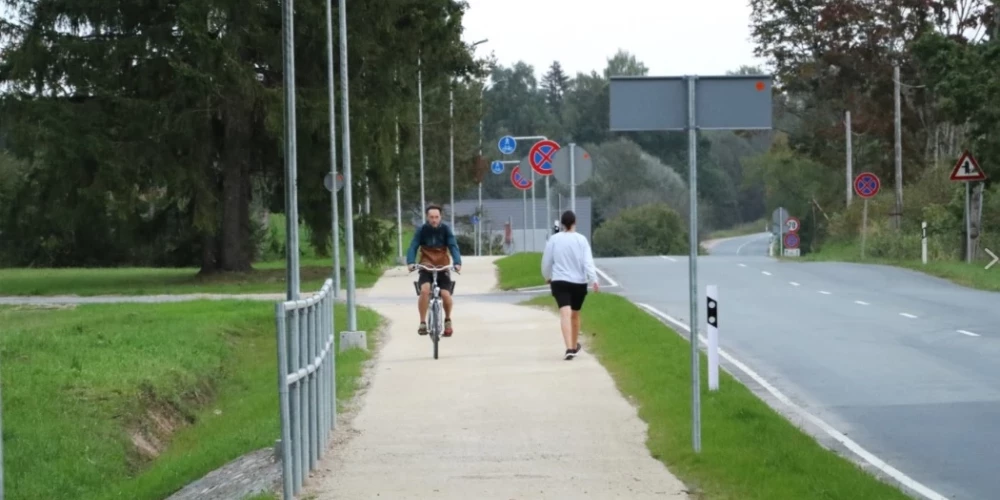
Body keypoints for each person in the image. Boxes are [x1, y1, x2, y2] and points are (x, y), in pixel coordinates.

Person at [541, 210, 598, 360]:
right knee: (575, 314)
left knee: (564, 313)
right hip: (579, 282)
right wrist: (594, 280)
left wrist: (547, 276)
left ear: (561, 224)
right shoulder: (581, 240)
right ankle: (572, 345)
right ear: (574, 223)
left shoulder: (553, 240)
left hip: (559, 281)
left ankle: (570, 347)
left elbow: (547, 261)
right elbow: (588, 262)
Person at [406, 204, 462, 337]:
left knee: (445, 295)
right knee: (425, 291)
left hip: (442, 266)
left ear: (440, 217)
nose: (434, 220)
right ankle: (423, 322)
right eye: (431, 217)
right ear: (427, 217)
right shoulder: (422, 230)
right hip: (426, 266)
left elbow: (453, 246)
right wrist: (410, 262)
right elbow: (413, 246)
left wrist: (457, 263)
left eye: (436, 217)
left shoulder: (446, 230)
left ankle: (447, 320)